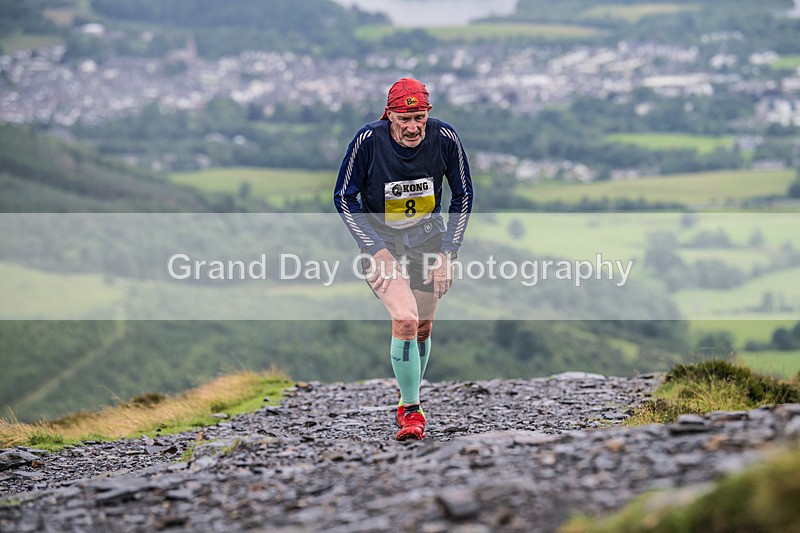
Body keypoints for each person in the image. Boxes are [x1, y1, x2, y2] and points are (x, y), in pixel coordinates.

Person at [333, 77, 473, 440]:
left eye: (419, 119)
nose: (413, 128)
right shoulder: (368, 141)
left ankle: (407, 394)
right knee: (407, 320)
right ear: (390, 116)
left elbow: (463, 196)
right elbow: (344, 199)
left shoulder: (445, 139)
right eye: (404, 119)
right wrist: (376, 252)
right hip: (382, 244)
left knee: (424, 328)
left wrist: (448, 253)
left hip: (428, 241)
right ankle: (411, 411)